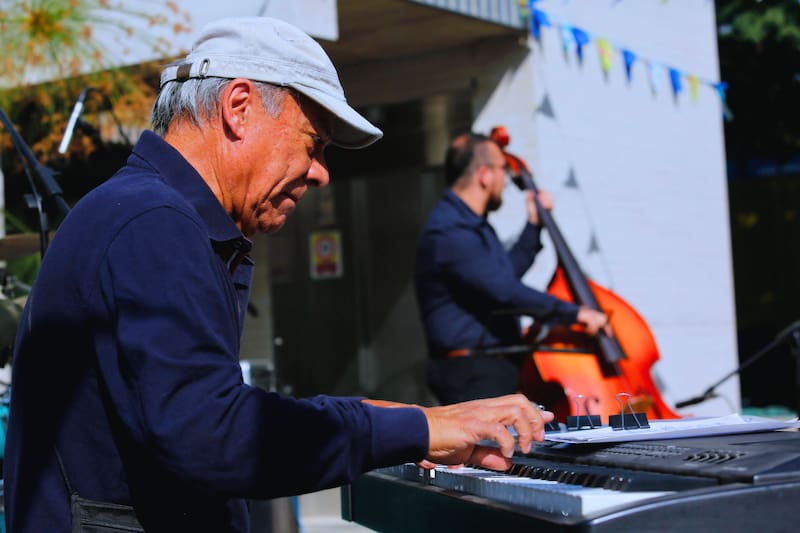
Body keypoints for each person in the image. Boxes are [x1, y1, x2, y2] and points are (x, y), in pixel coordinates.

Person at [2, 17, 554, 532]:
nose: (320, 173)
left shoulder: (146, 213)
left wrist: (406, 421)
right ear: (238, 107)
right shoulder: (154, 223)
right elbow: (213, 435)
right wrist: (420, 430)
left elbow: (188, 419)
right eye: (313, 144)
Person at [415, 132, 611, 406]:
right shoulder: (450, 231)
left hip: (488, 365)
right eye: (503, 171)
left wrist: (534, 225)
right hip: (472, 371)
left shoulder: (471, 226)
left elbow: (503, 276)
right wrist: (574, 313)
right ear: (484, 174)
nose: (506, 181)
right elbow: (504, 290)